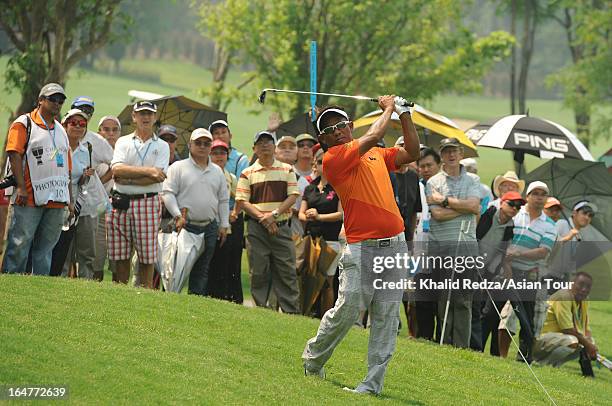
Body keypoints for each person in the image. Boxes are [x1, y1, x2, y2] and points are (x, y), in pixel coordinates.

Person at [302, 95, 420, 395]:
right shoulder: (333, 159)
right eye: (330, 129)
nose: (338, 130)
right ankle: (313, 359)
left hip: (394, 248)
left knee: (386, 316)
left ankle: (371, 385)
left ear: (350, 126)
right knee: (348, 309)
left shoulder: (376, 153)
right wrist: (390, 108)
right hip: (362, 248)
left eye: (342, 125)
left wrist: (405, 115)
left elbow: (413, 153)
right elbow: (376, 133)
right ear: (323, 139)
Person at [2, 83, 73, 275]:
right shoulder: (24, 123)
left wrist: (70, 198)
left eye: (60, 100)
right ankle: (12, 282)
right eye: (52, 99)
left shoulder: (60, 129)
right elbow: (14, 154)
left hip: (57, 198)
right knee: (20, 244)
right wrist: (21, 189)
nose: (57, 103)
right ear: (40, 100)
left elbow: (66, 166)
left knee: (46, 248)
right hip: (29, 197)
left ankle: (39, 287)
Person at [235, 131, 301, 313]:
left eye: (268, 142)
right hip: (256, 229)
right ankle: (262, 310)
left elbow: (292, 197)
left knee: (287, 271)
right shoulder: (247, 172)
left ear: (274, 147)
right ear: (254, 148)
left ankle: (291, 312)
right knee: (258, 271)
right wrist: (264, 218)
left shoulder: (287, 169)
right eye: (260, 142)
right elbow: (242, 201)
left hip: (281, 227)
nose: (265, 145)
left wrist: (273, 214)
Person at [107, 101, 169, 288]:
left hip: (148, 202)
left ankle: (144, 295)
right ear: (134, 117)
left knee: (146, 256)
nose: (146, 117)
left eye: (149, 114)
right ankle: (120, 295)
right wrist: (148, 172)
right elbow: (117, 171)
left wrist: (130, 177)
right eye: (141, 113)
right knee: (121, 255)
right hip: (121, 201)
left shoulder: (163, 145)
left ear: (155, 118)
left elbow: (158, 177)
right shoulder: (123, 141)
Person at [426, 138, 481, 349]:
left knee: (464, 298)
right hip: (443, 245)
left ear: (461, 154)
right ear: (442, 155)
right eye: (446, 151)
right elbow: (437, 215)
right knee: (445, 297)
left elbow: (475, 205)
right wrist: (463, 207)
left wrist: (445, 201)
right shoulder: (433, 182)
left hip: (466, 245)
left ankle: (461, 346)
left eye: (454, 151)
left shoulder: (473, 179)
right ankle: (445, 343)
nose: (451, 155)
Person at [161, 128, 229, 295]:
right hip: (184, 226)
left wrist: (224, 224)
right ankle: (168, 302)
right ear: (190, 145)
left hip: (209, 227)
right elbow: (167, 193)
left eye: (206, 143)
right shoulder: (178, 167)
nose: (202, 146)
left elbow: (223, 200)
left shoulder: (217, 171)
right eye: (198, 143)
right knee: (175, 269)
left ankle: (194, 305)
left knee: (202, 270)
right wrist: (177, 214)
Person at [502, 181, 557, 363]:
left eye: (543, 194)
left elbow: (543, 251)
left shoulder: (549, 225)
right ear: (528, 196)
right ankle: (500, 355)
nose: (539, 197)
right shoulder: (516, 215)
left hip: (529, 274)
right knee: (501, 315)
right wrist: (506, 256)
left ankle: (524, 356)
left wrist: (518, 253)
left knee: (527, 317)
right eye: (535, 193)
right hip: (505, 269)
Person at [69, 97, 114, 279]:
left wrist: (99, 180)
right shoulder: (61, 135)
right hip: (63, 200)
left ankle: (83, 287)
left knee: (87, 252)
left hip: (89, 203)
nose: (85, 113)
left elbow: (115, 163)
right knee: (64, 251)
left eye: (88, 110)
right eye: (81, 109)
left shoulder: (97, 140)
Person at [49, 109, 96, 277]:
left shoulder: (86, 150)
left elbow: (82, 182)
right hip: (57, 196)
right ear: (64, 125)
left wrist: (85, 176)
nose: (77, 127)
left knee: (73, 245)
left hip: (77, 200)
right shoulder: (57, 147)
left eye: (82, 124)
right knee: (57, 243)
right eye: (73, 123)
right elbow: (52, 169)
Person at [477, 191, 524, 355]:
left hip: (489, 270)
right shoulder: (489, 213)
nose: (514, 209)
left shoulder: (510, 226)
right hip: (472, 264)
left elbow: (502, 253)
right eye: (511, 204)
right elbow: (476, 235)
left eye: (518, 207)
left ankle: (476, 347)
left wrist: (497, 272)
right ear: (502, 202)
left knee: (481, 308)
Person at [299, 147, 344, 316]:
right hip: (311, 239)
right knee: (308, 277)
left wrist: (319, 216)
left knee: (327, 281)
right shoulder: (309, 188)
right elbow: (301, 214)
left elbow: (341, 214)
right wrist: (308, 216)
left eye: (328, 162)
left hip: (330, 240)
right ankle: (306, 312)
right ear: (314, 166)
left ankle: (326, 316)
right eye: (320, 162)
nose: (324, 165)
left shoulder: (338, 187)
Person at [209, 119, 249, 302]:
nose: (219, 135)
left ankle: (233, 299)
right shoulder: (206, 160)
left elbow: (242, 190)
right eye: (215, 133)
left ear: (230, 135)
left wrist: (233, 213)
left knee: (232, 261)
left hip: (233, 216)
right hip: (211, 217)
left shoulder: (240, 159)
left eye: (222, 132)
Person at [534, 272, 597, 376]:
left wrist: (591, 344)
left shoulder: (584, 300)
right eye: (581, 284)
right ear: (572, 283)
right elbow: (567, 329)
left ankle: (554, 367)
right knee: (573, 341)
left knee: (586, 342)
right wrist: (588, 345)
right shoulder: (564, 296)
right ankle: (543, 364)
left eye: (588, 287)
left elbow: (585, 327)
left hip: (555, 340)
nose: (584, 289)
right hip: (541, 339)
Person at [393, 136, 422, 337]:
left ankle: (412, 332)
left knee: (408, 288)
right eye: (400, 146)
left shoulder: (413, 177)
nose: (404, 150)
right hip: (387, 236)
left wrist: (410, 240)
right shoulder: (386, 173)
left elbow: (414, 211)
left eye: (406, 146)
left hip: (406, 238)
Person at [413, 147, 441, 340]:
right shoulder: (417, 186)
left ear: (439, 165)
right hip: (421, 248)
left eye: (429, 165)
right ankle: (424, 338)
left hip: (442, 248)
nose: (425, 169)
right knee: (422, 298)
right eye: (421, 166)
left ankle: (441, 339)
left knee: (441, 299)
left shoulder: (444, 187)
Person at [207, 139, 240, 301]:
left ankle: (218, 298)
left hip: (224, 228)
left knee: (221, 265)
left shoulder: (231, 177)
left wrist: (234, 212)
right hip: (207, 224)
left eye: (223, 153)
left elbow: (240, 197)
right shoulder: (205, 173)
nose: (219, 156)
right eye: (215, 153)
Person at [94, 115, 121, 281]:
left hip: (119, 210)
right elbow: (92, 183)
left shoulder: (125, 154)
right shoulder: (93, 154)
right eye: (106, 129)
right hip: (97, 209)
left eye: (115, 130)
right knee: (96, 256)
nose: (111, 133)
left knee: (118, 260)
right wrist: (113, 170)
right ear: (99, 132)